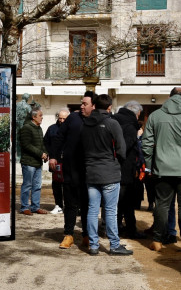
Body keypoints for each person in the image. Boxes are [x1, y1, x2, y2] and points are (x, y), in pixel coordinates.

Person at [141, 87, 181, 254]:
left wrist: (149, 164)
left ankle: (157, 240)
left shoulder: (155, 116)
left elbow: (146, 144)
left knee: (161, 205)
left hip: (162, 167)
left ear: (169, 97)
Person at [82, 94, 130, 256]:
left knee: (92, 210)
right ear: (109, 107)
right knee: (110, 211)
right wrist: (117, 163)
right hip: (109, 171)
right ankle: (114, 245)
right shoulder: (112, 123)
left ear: (94, 105)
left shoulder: (85, 124)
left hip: (91, 172)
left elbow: (82, 149)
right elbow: (122, 149)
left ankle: (94, 245)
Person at [50, 91, 95, 249]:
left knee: (87, 205)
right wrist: (53, 156)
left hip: (89, 170)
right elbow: (59, 137)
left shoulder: (97, 119)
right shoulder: (73, 118)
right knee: (70, 204)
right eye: (81, 103)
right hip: (70, 169)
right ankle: (68, 234)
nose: (81, 106)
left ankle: (87, 235)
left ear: (93, 106)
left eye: (85, 104)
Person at [114, 101, 147, 239]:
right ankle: (129, 230)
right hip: (125, 167)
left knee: (118, 202)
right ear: (137, 113)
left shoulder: (115, 119)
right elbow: (125, 147)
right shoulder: (130, 126)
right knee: (126, 201)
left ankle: (117, 227)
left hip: (114, 166)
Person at [19, 108, 48, 215]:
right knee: (27, 185)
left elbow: (42, 144)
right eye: (40, 115)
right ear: (34, 117)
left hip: (37, 162)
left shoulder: (39, 128)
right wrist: (41, 154)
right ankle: (24, 207)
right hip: (28, 162)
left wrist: (45, 154)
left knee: (37, 185)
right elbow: (26, 145)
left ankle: (35, 207)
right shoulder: (26, 128)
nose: (42, 118)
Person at [44, 108, 69, 214]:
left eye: (64, 119)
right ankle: (58, 205)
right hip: (55, 160)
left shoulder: (72, 129)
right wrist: (49, 154)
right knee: (56, 185)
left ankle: (70, 206)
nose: (62, 121)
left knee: (68, 185)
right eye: (60, 118)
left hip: (68, 161)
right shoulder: (52, 128)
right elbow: (45, 143)